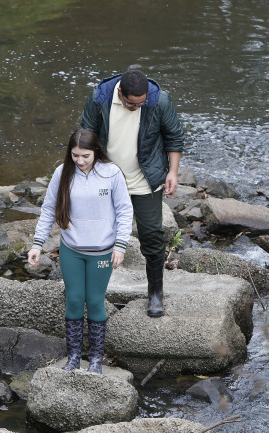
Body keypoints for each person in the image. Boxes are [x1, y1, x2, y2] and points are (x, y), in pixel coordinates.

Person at [80, 69, 185, 317]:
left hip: (145, 179)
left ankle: (156, 293)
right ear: (120, 93)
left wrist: (173, 172)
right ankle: (94, 291)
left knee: (151, 234)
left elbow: (174, 137)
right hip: (108, 179)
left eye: (141, 103)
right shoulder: (100, 98)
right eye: (131, 104)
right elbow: (85, 136)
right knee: (99, 234)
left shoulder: (159, 101)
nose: (137, 107)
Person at [28, 129, 132, 372]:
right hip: (71, 249)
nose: (80, 161)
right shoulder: (62, 172)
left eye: (85, 155)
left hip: (102, 251)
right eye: (75, 155)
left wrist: (120, 245)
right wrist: (37, 244)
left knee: (95, 302)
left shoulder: (111, 173)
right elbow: (48, 209)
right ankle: (74, 355)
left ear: (95, 151)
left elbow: (125, 211)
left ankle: (95, 358)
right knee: (74, 300)